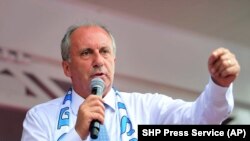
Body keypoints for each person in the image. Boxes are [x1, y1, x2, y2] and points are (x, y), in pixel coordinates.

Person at [21, 23, 240, 141]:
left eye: (105, 52)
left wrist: (219, 85)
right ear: (67, 67)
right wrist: (77, 133)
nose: (98, 61)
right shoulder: (41, 118)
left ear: (114, 61)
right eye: (87, 53)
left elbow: (201, 121)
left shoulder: (147, 109)